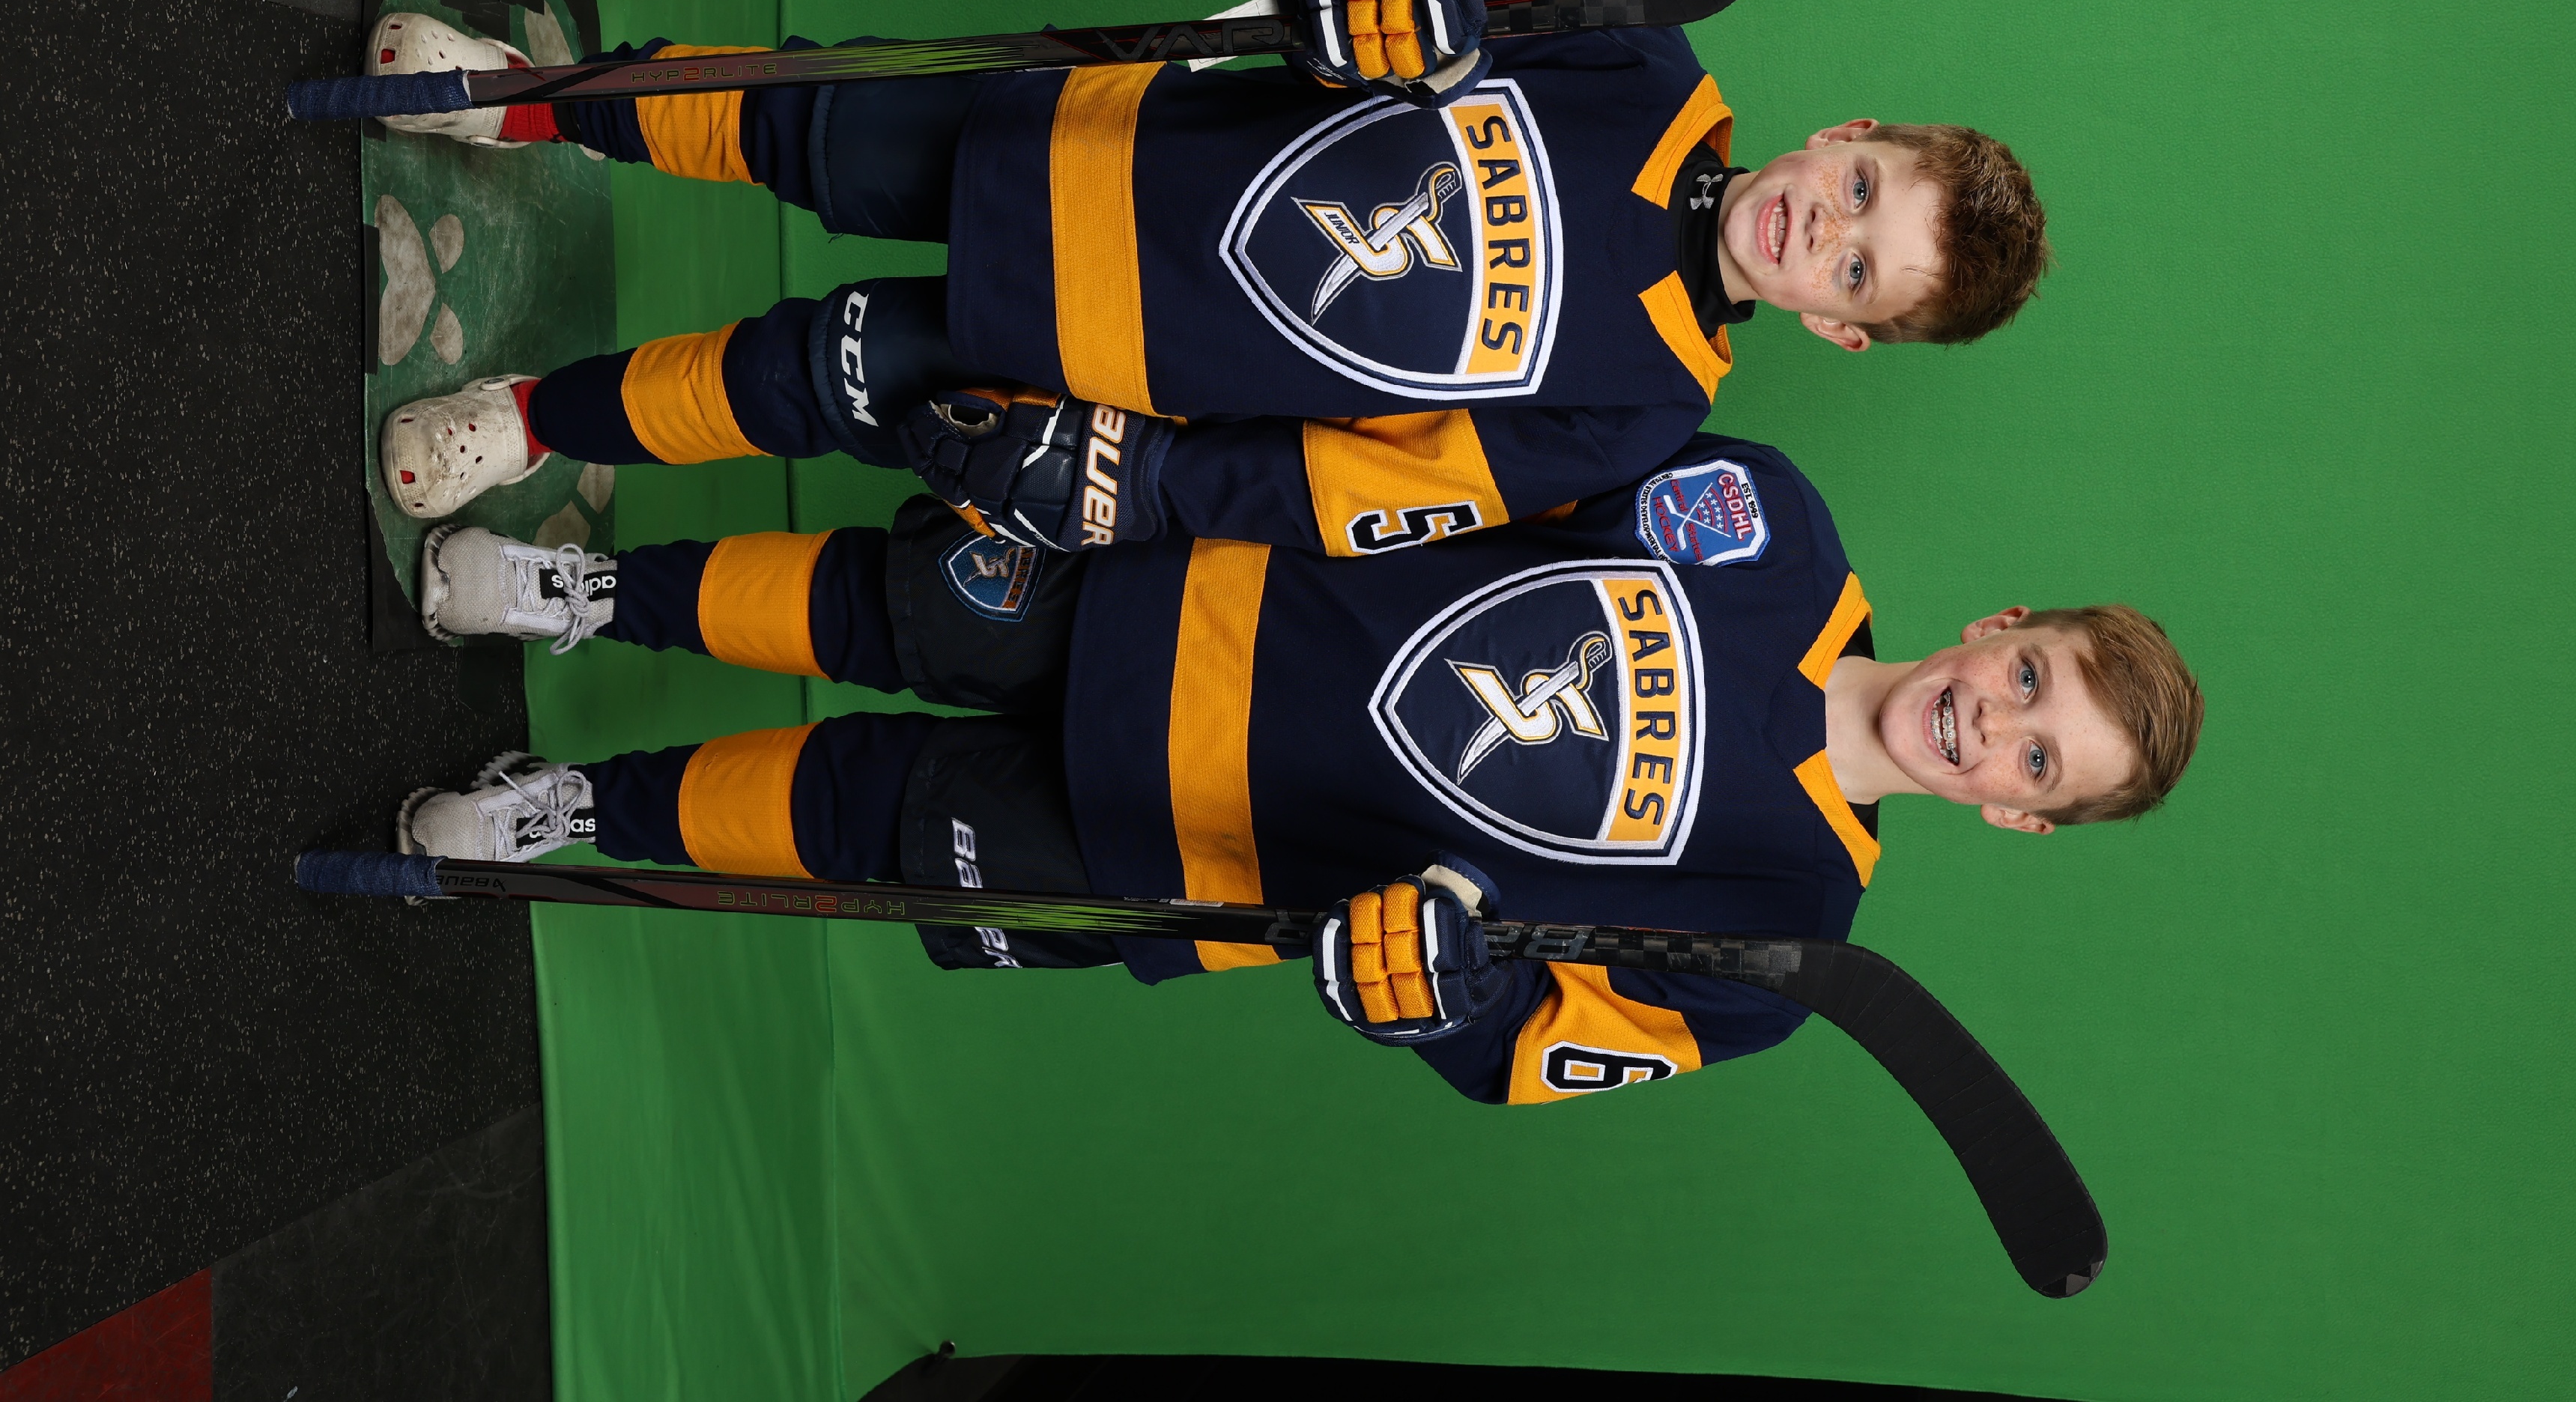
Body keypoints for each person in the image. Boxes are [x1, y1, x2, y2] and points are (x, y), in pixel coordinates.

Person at [393, 435, 2201, 1104]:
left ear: (2017, 812)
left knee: (867, 812)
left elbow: (1529, 1047)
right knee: (890, 602)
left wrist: (1441, 994)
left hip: (1206, 856)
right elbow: (1469, 456)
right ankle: (589, 590)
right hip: (1206, 601)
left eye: (2035, 755)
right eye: (2025, 676)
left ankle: (581, 808)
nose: (1993, 718)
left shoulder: (1786, 939)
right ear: (2000, 623)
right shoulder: (1766, 525)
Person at [372, 0, 2049, 559]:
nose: (1817, 229)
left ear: (1840, 327)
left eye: (1855, 269)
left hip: (1102, 352)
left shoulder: (1646, 407)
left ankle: (528, 420)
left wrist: (1151, 484)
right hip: (1100, 137)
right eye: (1859, 189)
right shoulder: (1637, 55)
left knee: (801, 383)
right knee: (795, 115)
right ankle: (523, 101)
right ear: (1845, 134)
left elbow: (1374, 485)